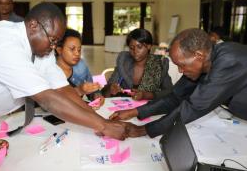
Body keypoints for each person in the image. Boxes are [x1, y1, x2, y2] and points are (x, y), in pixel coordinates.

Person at [0, 2, 128, 140]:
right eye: (52, 40)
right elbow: (47, 99)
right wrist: (103, 125)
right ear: (33, 25)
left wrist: (98, 120)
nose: (53, 47)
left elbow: (62, 89)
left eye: (56, 42)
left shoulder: (42, 48)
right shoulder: (5, 46)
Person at [109, 28, 247, 138]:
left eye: (182, 65)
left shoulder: (229, 61)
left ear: (198, 55)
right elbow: (175, 96)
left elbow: (193, 107)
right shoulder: (202, 62)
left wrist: (143, 130)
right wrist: (135, 111)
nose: (180, 71)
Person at [102, 28, 172, 101]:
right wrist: (110, 88)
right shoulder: (124, 61)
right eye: (131, 48)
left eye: (139, 47)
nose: (135, 51)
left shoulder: (159, 64)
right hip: (126, 106)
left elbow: (169, 91)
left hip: (151, 108)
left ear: (149, 46)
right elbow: (107, 89)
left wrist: (146, 95)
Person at [56, 28, 105, 109]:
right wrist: (79, 90)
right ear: (59, 50)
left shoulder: (81, 65)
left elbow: (92, 86)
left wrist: (96, 95)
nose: (77, 53)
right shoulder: (50, 69)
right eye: (72, 49)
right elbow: (51, 100)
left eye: (79, 49)